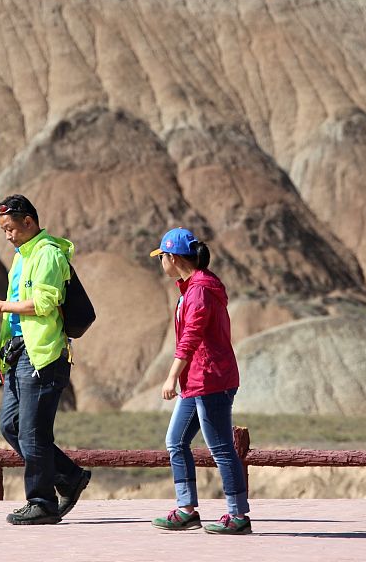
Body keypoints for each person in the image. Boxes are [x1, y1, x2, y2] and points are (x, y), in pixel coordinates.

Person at [0, 194, 92, 525]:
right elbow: (19, 304)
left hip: (42, 354)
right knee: (10, 426)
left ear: (29, 222)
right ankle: (68, 476)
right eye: (3, 230)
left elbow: (44, 302)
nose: (8, 235)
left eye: (11, 228)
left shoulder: (49, 255)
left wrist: (1, 306)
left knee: (33, 433)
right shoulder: (22, 257)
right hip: (17, 353)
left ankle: (42, 502)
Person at [150, 227, 252, 535]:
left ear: (173, 257)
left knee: (221, 447)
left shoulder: (200, 290)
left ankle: (238, 516)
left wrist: (170, 377)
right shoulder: (193, 286)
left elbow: (191, 337)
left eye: (161, 257)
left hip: (211, 379)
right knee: (176, 441)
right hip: (197, 381)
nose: (160, 263)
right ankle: (186, 510)